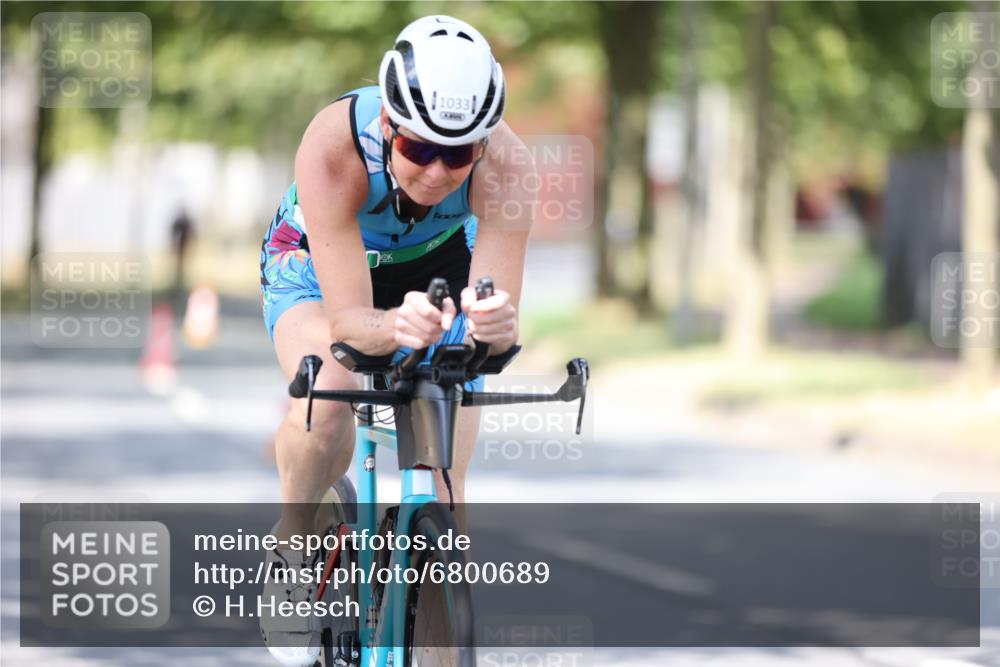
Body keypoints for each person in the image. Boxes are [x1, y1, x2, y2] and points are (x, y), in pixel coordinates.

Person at [257, 15, 534, 666]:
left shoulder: (510, 169)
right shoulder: (333, 145)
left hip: (437, 266)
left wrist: (495, 326)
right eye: (419, 150)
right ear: (388, 126)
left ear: (483, 146)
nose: (439, 173)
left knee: (443, 485)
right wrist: (388, 327)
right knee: (326, 394)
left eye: (458, 154)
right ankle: (295, 542)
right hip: (320, 270)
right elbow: (352, 321)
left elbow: (494, 310)